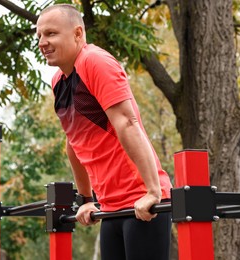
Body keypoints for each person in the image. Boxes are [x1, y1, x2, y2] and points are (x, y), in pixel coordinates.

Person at [36, 4, 173, 260]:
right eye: (40, 36)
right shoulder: (59, 81)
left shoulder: (94, 61)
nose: (43, 42)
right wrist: (86, 199)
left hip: (141, 202)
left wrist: (152, 192)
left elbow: (127, 123)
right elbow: (74, 142)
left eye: (51, 34)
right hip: (110, 207)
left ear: (78, 34)